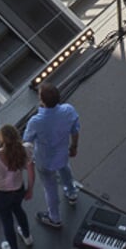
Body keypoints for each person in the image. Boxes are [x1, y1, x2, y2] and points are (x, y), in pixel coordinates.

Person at [24, 81, 79, 230]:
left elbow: (27, 142)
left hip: (44, 161)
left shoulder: (35, 122)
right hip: (63, 153)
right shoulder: (68, 110)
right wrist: (73, 147)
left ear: (42, 101)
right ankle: (72, 193)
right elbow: (75, 130)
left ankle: (54, 218)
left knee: (50, 188)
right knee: (65, 169)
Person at [0, 123, 34, 249]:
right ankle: (27, 237)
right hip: (18, 190)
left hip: (1, 194)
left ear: (2, 139)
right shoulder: (26, 149)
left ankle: (12, 246)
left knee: (7, 221)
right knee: (19, 210)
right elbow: (31, 172)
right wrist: (30, 189)